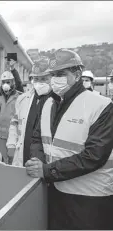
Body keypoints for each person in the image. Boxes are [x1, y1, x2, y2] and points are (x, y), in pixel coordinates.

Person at [26, 49, 113, 230]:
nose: (55, 79)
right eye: (53, 75)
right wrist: (37, 161)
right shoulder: (48, 103)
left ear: (77, 74)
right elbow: (37, 139)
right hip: (55, 191)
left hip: (90, 198)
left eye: (61, 74)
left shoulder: (101, 106)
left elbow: (95, 155)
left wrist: (47, 171)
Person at [7, 57, 53, 166]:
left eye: (44, 79)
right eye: (36, 79)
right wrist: (11, 145)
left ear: (52, 78)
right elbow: (14, 123)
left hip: (47, 156)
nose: (39, 83)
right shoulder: (23, 99)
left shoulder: (58, 100)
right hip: (23, 151)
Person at [0, 71, 22, 163]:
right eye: (3, 82)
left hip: (13, 137)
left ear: (13, 82)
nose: (5, 84)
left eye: (8, 82)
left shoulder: (19, 97)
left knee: (12, 161)